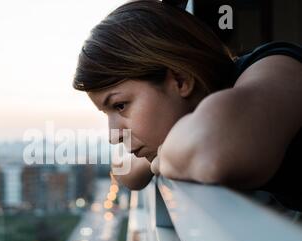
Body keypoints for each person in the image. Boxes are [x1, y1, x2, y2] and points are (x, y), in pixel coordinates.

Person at [73, 0, 302, 210]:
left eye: (120, 106)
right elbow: (125, 170)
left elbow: (213, 151)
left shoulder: (279, 69)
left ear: (181, 81)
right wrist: (158, 156)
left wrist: (164, 155)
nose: (114, 136)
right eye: (107, 113)